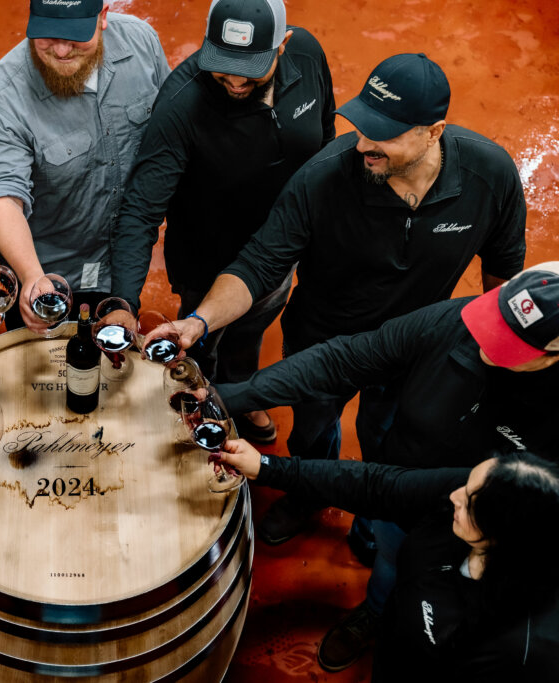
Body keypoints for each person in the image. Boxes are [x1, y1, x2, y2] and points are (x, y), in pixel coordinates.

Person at [162, 53, 526, 545]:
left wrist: (499, 363)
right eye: (362, 126)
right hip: (322, 340)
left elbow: (503, 275)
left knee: (390, 438)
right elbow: (260, 263)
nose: (364, 144)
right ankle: (309, 493)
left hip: (412, 348)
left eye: (386, 134)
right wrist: (200, 322)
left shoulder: (490, 177)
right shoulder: (325, 177)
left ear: (433, 131)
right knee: (313, 433)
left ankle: (375, 514)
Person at [215, 261, 559, 670]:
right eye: (494, 323)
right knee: (389, 552)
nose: (485, 343)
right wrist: (228, 398)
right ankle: (376, 592)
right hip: (406, 480)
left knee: (437, 611)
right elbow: (342, 360)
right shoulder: (461, 319)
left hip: (488, 528)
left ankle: (385, 616)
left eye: (508, 344)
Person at [110, 0, 335, 443]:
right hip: (208, 260)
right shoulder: (182, 102)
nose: (233, 82)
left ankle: (239, 394)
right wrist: (123, 301)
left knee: (252, 328)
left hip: (281, 251)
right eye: (222, 67)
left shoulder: (307, 55)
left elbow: (326, 137)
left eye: (249, 70)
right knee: (201, 348)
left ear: (283, 45)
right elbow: (140, 209)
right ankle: (205, 400)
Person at [216, 439, 559, 681]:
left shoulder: (519, 651)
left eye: (469, 501)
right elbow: (376, 485)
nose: (454, 495)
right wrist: (266, 466)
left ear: (504, 536)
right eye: (465, 485)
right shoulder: (473, 498)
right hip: (394, 641)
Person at [0, 0, 169, 332]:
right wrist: (33, 277)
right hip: (49, 269)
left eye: (74, 35)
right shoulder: (6, 95)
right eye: (47, 34)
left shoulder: (141, 43)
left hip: (125, 260)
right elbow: (2, 196)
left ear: (102, 17)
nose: (61, 50)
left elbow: (171, 133)